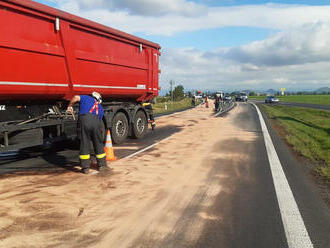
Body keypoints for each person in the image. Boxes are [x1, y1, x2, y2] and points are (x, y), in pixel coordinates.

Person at [67, 92, 109, 174]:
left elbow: (75, 97)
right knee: (98, 143)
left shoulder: (86, 97)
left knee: (84, 143)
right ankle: (102, 165)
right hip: (96, 122)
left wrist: (70, 106)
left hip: (84, 120)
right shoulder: (100, 107)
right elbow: (100, 119)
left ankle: (85, 168)